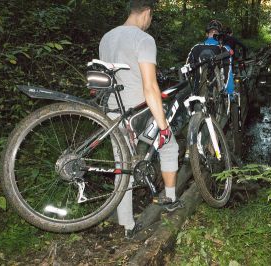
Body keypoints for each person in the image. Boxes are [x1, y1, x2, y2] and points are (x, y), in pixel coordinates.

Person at [99, 0, 183, 239]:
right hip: (137, 112)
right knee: (170, 146)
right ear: (146, 13)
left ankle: (127, 225)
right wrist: (163, 125)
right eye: (151, 17)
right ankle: (170, 198)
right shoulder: (144, 39)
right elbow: (150, 86)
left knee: (122, 166)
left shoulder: (106, 37)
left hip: (110, 113)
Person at [186, 20, 235, 96]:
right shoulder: (225, 49)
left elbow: (187, 71)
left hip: (196, 93)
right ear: (219, 35)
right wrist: (230, 94)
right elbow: (228, 72)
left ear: (206, 34)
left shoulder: (195, 48)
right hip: (216, 95)